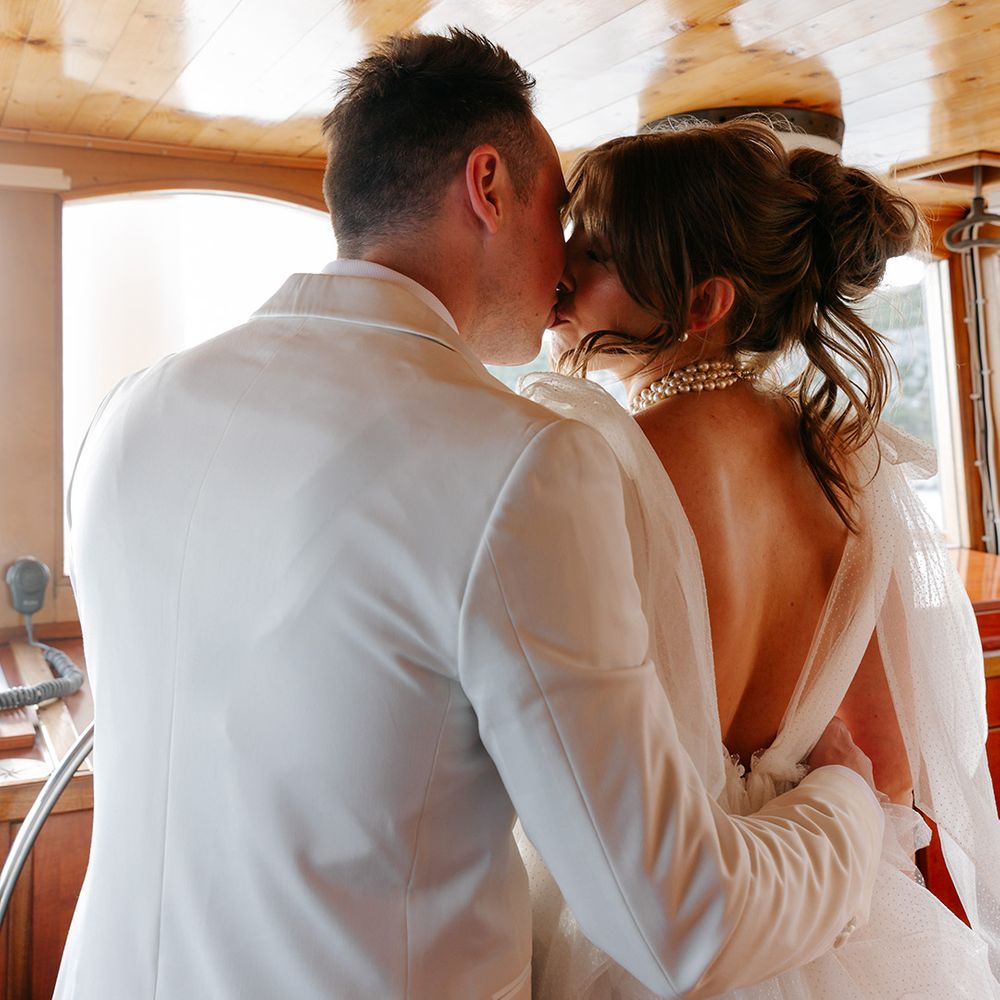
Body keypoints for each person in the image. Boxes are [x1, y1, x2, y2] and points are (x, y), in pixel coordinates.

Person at [56, 34, 885, 1000]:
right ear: (487, 186)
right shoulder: (524, 462)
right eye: (557, 208)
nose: (566, 262)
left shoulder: (127, 413)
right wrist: (848, 811)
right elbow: (679, 917)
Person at [520, 118, 1000, 997]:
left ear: (703, 303)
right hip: (825, 913)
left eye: (592, 254)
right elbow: (890, 766)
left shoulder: (595, 458)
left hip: (660, 908)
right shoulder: (849, 463)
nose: (557, 275)